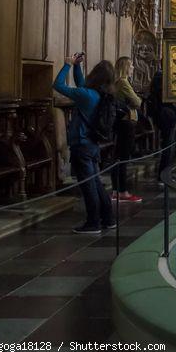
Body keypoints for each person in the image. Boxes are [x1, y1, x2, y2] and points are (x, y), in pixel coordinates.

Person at [53, 53, 117, 234]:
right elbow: (82, 85)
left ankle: (93, 223)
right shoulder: (100, 94)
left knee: (88, 185)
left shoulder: (87, 95)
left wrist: (66, 64)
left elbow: (58, 85)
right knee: (95, 182)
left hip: (82, 143)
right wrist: (77, 66)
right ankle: (108, 218)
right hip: (93, 143)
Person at [111, 57, 143, 203]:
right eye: (131, 66)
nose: (133, 68)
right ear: (125, 67)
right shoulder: (123, 82)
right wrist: (137, 100)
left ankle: (116, 190)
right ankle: (122, 191)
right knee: (123, 158)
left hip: (122, 122)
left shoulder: (118, 82)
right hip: (126, 122)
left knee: (119, 157)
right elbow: (137, 102)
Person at [147, 68, 176, 188]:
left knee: (167, 146)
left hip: (161, 116)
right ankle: (164, 176)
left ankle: (164, 175)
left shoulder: (156, 82)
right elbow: (169, 101)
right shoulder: (162, 83)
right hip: (167, 116)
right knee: (169, 147)